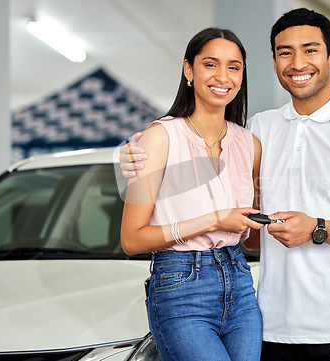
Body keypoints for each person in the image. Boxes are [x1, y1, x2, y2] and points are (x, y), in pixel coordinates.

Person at [119, 8, 330, 361]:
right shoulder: (257, 132)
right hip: (270, 327)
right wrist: (129, 157)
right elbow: (243, 224)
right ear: (274, 64)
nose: (298, 62)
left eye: (310, 50)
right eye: (285, 52)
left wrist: (317, 228)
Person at [120, 27, 263, 361]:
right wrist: (214, 219)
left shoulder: (250, 144)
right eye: (210, 64)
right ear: (189, 70)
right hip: (181, 285)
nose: (222, 76)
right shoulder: (159, 137)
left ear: (242, 76)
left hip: (240, 284)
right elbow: (131, 239)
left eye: (234, 67)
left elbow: (251, 238)